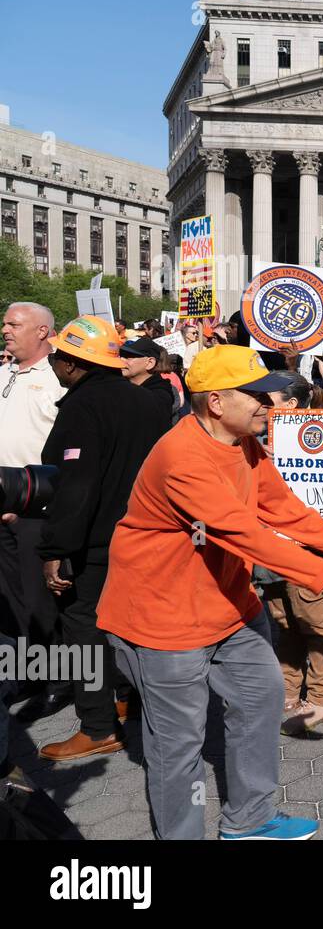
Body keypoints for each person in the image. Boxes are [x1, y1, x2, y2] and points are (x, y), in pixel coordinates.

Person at [97, 345, 323, 840]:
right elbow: (245, 533)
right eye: (257, 394)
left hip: (231, 609)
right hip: (163, 624)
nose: (269, 402)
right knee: (177, 747)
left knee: (261, 699)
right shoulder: (181, 457)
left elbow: (281, 508)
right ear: (216, 402)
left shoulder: (244, 443)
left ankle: (250, 821)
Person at [34, 316, 172, 761]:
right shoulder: (147, 402)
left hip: (94, 543)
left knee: (84, 631)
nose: (53, 361)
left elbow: (76, 484)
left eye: (58, 355)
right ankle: (127, 699)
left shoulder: (82, 406)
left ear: (75, 364)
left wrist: (56, 551)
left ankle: (97, 727)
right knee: (132, 626)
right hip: (144, 536)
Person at [259, 373, 323, 735]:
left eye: (267, 401)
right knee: (285, 622)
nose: (258, 406)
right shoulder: (256, 442)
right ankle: (289, 689)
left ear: (291, 407)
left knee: (316, 622)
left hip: (309, 549)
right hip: (272, 549)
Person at [0, 302, 66, 716]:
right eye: (5, 323)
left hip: (37, 506)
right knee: (10, 598)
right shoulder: (3, 373)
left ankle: (57, 680)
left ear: (42, 332)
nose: (5, 329)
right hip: (2, 504)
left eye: (13, 323)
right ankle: (23, 673)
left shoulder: (58, 379)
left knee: (41, 600)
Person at [121, 335, 181, 422]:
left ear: (150, 363)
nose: (121, 360)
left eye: (128, 356)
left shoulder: (161, 395)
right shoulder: (117, 387)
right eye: (121, 355)